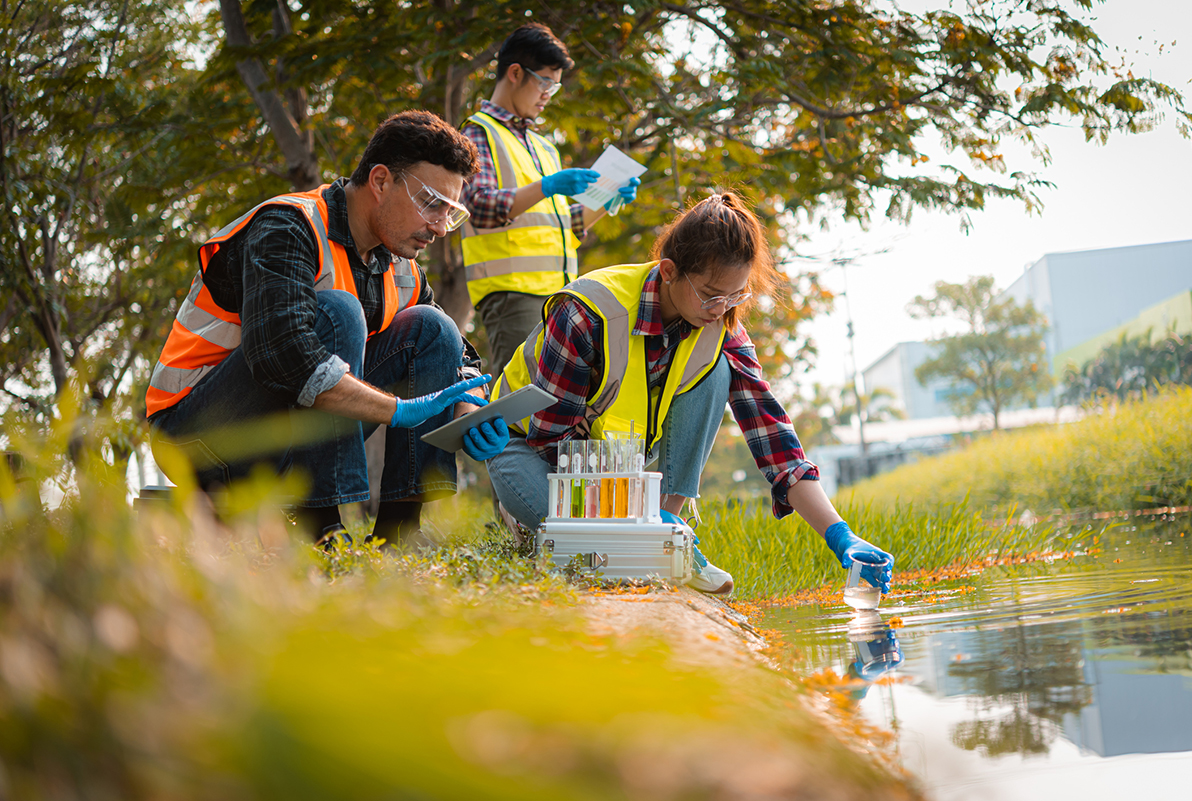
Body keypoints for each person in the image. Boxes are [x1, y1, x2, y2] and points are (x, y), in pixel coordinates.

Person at [485, 193, 894, 595]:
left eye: (736, 295)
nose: (720, 308)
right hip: (529, 451)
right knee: (608, 562)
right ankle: (619, 538)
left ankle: (665, 532)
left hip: (618, 467)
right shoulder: (588, 311)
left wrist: (840, 535)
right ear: (668, 271)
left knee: (719, 371)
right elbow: (551, 441)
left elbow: (773, 438)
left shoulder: (722, 329)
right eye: (710, 293)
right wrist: (638, 517)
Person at [146, 110, 510, 545]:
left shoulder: (400, 266)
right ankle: (323, 531)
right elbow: (282, 355)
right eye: (431, 204)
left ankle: (400, 537)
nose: (438, 227)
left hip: (286, 440)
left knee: (432, 327)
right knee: (338, 312)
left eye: (449, 213)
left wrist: (469, 410)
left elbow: (461, 355)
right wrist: (395, 409)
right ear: (380, 182)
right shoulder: (287, 227)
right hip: (199, 439)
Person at [459, 22, 639, 368]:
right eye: (544, 83)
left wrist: (608, 197)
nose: (547, 95)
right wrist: (547, 186)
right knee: (519, 397)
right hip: (513, 294)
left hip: (562, 293)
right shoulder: (478, 132)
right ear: (515, 73)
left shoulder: (544, 147)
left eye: (553, 88)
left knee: (559, 399)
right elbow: (478, 207)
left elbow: (565, 225)